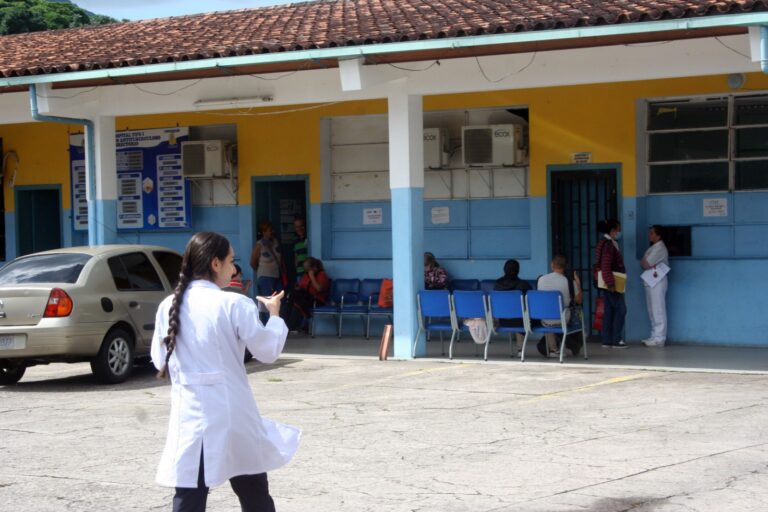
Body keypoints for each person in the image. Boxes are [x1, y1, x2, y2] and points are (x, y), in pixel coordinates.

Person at [151, 231, 300, 512]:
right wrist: (274, 315)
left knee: (189, 496)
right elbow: (267, 351)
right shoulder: (234, 303)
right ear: (215, 263)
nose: (234, 269)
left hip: (189, 417)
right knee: (254, 494)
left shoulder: (167, 306)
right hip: (232, 415)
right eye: (231, 261)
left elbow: (160, 359)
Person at [537, 255, 583, 357]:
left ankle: (553, 348)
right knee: (575, 316)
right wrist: (578, 283)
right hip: (563, 318)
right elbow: (579, 301)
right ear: (565, 267)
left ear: (552, 265)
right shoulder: (569, 281)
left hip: (544, 319)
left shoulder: (541, 279)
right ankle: (572, 345)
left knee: (550, 315)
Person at [596, 218, 627, 349]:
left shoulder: (605, 242)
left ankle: (607, 340)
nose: (619, 231)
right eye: (618, 229)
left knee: (609, 311)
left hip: (607, 282)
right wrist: (610, 283)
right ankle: (616, 339)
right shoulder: (609, 244)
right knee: (621, 309)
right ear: (612, 230)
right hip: (611, 283)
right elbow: (606, 264)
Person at [493, 259, 531, 355]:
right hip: (520, 321)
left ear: (504, 269)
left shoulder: (497, 284)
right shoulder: (523, 285)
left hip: (501, 321)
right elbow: (531, 301)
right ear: (518, 270)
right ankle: (520, 349)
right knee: (525, 317)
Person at [281, 257, 330, 332]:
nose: (306, 271)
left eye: (308, 269)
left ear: (314, 267)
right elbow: (301, 286)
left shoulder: (321, 275)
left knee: (298, 303)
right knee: (290, 301)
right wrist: (298, 287)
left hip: (317, 300)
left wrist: (312, 277)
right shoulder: (306, 275)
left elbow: (319, 289)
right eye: (305, 269)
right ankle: (283, 326)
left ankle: (290, 327)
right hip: (305, 298)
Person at [640, 225, 669, 347]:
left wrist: (645, 262)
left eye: (652, 233)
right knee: (651, 310)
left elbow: (645, 264)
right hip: (650, 280)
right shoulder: (652, 247)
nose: (649, 235)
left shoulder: (660, 248)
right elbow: (643, 263)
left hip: (658, 281)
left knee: (658, 310)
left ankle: (659, 337)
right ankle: (654, 335)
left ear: (659, 235)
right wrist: (645, 262)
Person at [250, 221, 283, 297]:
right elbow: (252, 262)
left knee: (280, 298)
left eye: (272, 230)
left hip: (277, 276)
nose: (272, 232)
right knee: (268, 299)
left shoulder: (275, 241)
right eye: (270, 230)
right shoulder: (259, 245)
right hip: (265, 277)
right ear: (264, 232)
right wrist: (261, 271)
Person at [292, 217, 308, 283]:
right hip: (299, 271)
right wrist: (296, 269)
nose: (299, 229)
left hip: (308, 271)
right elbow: (296, 256)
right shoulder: (295, 240)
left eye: (301, 226)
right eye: (297, 227)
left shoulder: (309, 237)